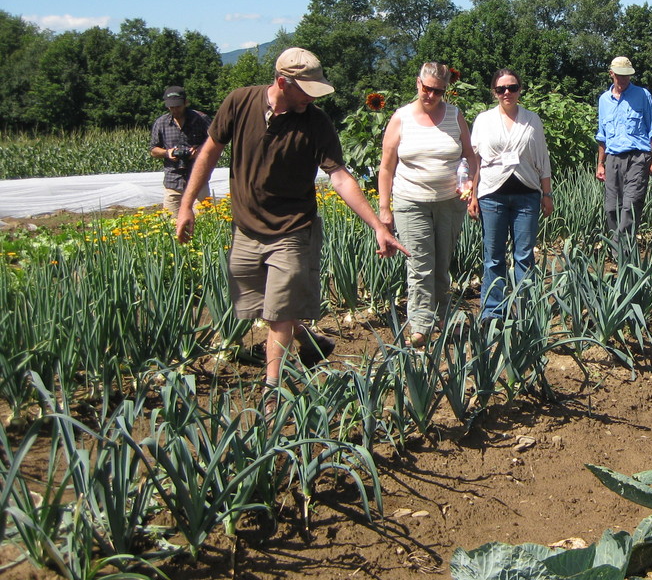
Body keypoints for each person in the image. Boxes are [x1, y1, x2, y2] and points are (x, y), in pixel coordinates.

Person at [175, 47, 405, 394]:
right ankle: (309, 339)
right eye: (306, 90)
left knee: (279, 311)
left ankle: (273, 388)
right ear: (282, 82)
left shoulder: (316, 122)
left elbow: (340, 177)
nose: (311, 99)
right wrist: (186, 204)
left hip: (293, 228)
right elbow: (210, 150)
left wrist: (377, 226)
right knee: (262, 309)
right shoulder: (239, 102)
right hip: (246, 226)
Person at [378, 62, 479, 348]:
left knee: (441, 262)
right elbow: (386, 166)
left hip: (449, 202)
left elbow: (471, 155)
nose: (431, 95)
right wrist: (385, 208)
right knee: (420, 264)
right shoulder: (401, 118)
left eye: (438, 91)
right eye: (427, 88)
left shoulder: (455, 115)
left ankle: (444, 315)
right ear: (417, 83)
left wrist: (471, 182)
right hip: (411, 202)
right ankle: (421, 326)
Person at [468, 69, 553, 320]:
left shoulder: (532, 120)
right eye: (501, 89)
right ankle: (494, 312)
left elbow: (542, 159)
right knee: (493, 256)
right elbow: (475, 160)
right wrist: (473, 195)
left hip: (526, 194)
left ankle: (527, 309)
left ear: (520, 89)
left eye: (512, 87)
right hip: (491, 194)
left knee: (524, 256)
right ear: (494, 92)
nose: (507, 93)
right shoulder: (483, 120)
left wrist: (546, 193)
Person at [595, 56, 652, 244]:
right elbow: (602, 135)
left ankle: (623, 256)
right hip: (612, 159)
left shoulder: (643, 95)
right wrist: (600, 164)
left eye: (627, 76)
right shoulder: (604, 100)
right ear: (611, 74)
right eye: (619, 76)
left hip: (638, 157)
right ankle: (621, 255)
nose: (623, 80)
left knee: (630, 206)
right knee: (611, 208)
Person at [150, 87, 211, 214]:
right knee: (171, 224)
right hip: (173, 181)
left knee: (205, 222)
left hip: (198, 179)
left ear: (185, 103)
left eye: (177, 106)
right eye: (171, 107)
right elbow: (153, 150)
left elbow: (215, 142)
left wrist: (200, 150)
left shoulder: (201, 119)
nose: (174, 110)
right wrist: (168, 153)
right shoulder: (161, 123)